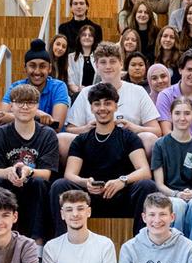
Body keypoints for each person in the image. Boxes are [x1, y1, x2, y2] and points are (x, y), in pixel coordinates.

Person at [50, 83, 160, 234]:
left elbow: (144, 171)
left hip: (121, 195)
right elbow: (70, 174)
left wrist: (122, 180)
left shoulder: (128, 137)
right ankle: (62, 241)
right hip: (89, 198)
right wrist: (85, 182)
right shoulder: (81, 140)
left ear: (116, 106)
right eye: (97, 104)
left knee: (147, 185)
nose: (102, 108)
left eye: (107, 103)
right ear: (91, 108)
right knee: (59, 185)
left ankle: (142, 242)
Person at [0, 83, 60, 243]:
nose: (25, 107)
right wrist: (9, 172)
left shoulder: (48, 135)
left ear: (37, 106)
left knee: (39, 182)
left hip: (34, 185)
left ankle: (38, 242)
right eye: (20, 102)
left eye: (30, 103)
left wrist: (29, 171)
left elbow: (47, 173)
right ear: (11, 105)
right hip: (8, 183)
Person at [64, 42, 161, 156]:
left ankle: (142, 172)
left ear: (121, 63)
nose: (108, 66)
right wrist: (86, 128)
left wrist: (134, 128)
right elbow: (70, 129)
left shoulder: (138, 91)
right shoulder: (86, 92)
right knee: (63, 139)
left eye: (113, 61)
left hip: (129, 148)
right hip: (94, 148)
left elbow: (157, 131)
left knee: (149, 138)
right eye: (103, 62)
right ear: (96, 65)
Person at [151, 96, 192, 251]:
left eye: (187, 113)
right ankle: (176, 252)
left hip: (191, 195)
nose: (182, 118)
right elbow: (159, 184)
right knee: (178, 205)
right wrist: (177, 194)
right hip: (170, 195)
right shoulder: (160, 145)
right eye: (177, 113)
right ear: (171, 115)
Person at [0, 40, 70, 129]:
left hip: (49, 140)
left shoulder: (58, 87)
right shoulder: (16, 87)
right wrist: (37, 114)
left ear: (50, 68)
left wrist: (15, 117)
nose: (37, 71)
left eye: (42, 66)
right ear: (25, 68)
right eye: (32, 66)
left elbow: (56, 126)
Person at [65, 24, 99, 97]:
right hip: (77, 95)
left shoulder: (99, 58)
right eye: (84, 35)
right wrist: (78, 89)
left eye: (90, 35)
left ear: (94, 39)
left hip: (95, 96)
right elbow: (70, 80)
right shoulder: (70, 58)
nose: (87, 37)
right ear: (79, 38)